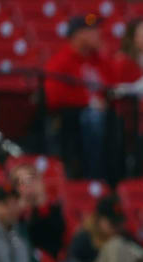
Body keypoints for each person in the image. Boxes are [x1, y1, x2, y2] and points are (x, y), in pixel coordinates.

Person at [44, 14, 114, 179]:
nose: (99, 34)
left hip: (105, 118)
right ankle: (93, 177)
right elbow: (54, 98)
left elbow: (113, 87)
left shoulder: (99, 61)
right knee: (93, 117)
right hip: (72, 122)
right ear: (78, 35)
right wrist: (88, 103)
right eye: (92, 31)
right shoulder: (60, 61)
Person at [69, 196, 143, 262]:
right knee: (115, 245)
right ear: (99, 219)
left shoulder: (124, 235)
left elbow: (141, 256)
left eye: (119, 223)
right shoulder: (85, 237)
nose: (117, 227)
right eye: (113, 223)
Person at [10, 163, 65, 259]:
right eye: (20, 182)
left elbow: (56, 235)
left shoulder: (54, 208)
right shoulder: (11, 212)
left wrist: (41, 203)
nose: (27, 185)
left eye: (30, 180)